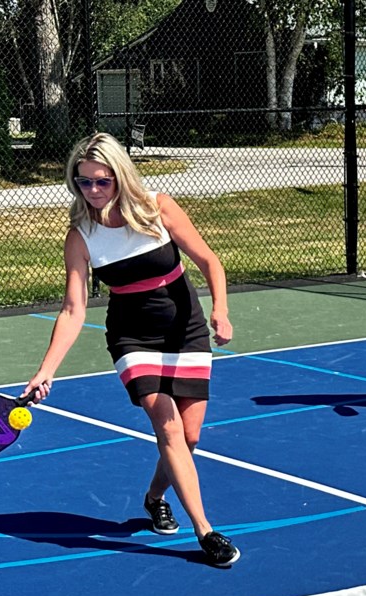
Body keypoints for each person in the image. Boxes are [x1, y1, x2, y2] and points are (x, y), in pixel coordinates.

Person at [23, 132, 240, 566]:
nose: (93, 191)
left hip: (185, 326)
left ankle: (154, 495)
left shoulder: (159, 209)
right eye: (83, 182)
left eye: (101, 181)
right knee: (169, 428)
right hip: (132, 336)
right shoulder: (81, 235)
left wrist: (221, 310)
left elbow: (209, 261)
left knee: (190, 435)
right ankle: (206, 532)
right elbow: (72, 309)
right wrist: (45, 370)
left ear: (120, 177)